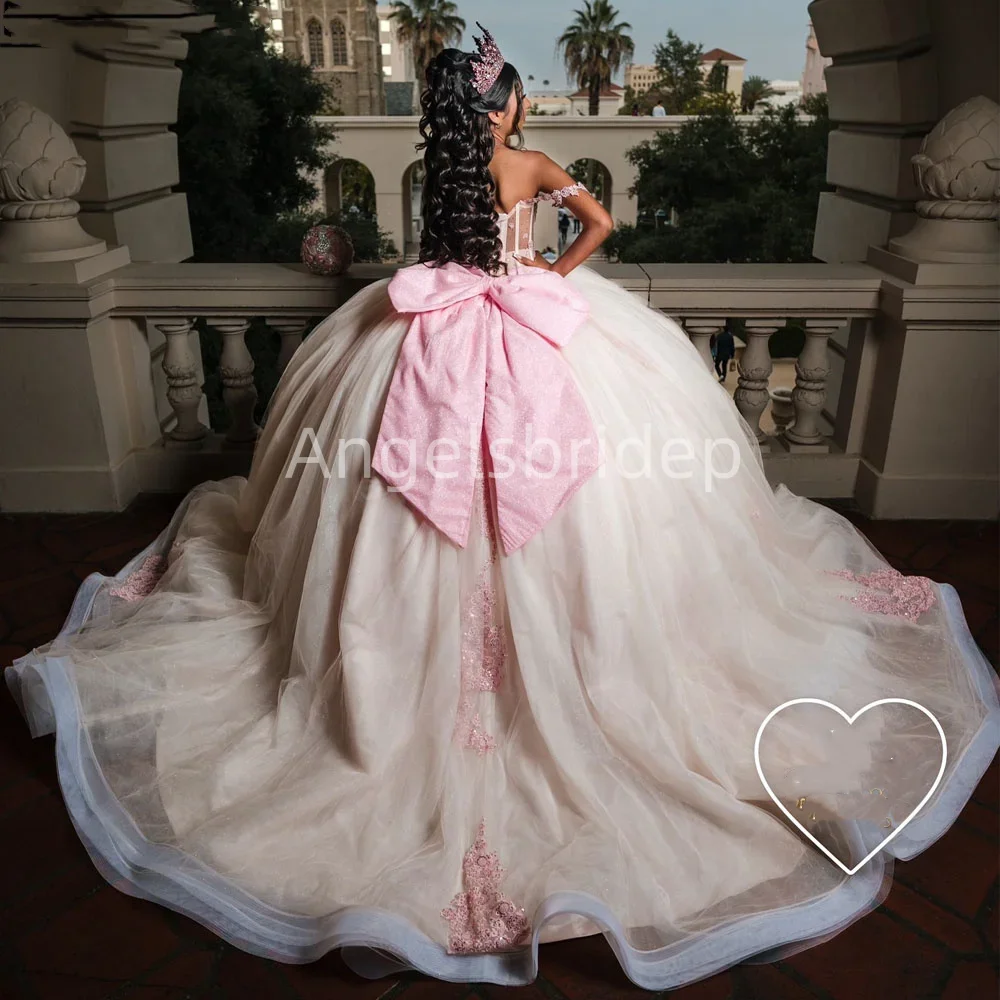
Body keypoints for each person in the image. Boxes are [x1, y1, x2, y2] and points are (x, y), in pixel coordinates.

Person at [6, 22, 998, 996]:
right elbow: (600, 228)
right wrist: (549, 278)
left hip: (430, 331)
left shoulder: (446, 176)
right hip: (528, 318)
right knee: (602, 498)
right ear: (509, 104)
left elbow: (439, 255)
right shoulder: (528, 162)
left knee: (390, 488)